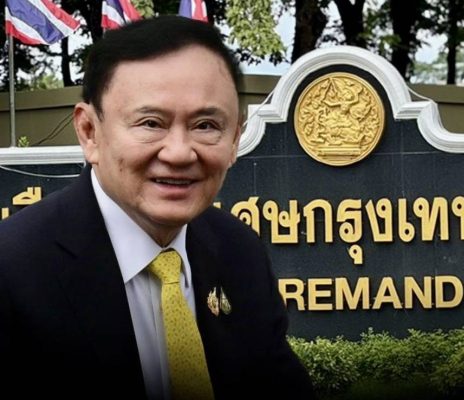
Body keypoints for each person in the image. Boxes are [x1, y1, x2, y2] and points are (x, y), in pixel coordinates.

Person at [0, 16, 316, 400]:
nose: (179, 153)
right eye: (151, 123)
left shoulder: (240, 252)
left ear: (234, 139)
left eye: (205, 125)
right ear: (90, 132)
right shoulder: (12, 268)